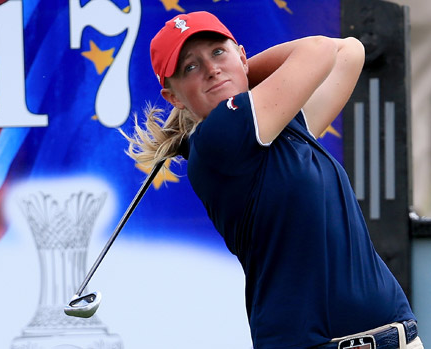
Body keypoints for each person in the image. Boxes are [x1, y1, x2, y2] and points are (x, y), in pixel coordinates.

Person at [122, 11, 423, 348]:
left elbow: (349, 52)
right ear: (174, 97)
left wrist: (240, 69)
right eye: (190, 67)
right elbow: (321, 50)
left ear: (241, 53)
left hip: (396, 337)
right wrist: (238, 69)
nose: (211, 68)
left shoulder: (283, 126)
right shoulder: (219, 137)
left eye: (218, 52)